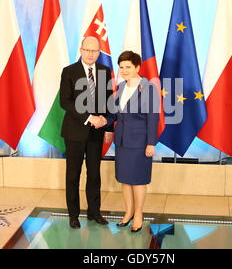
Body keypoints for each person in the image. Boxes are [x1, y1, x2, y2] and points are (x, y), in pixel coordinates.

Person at [101, 50, 160, 232]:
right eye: (121, 67)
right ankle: (128, 212)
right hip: (122, 142)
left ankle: (139, 214)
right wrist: (103, 122)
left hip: (140, 142)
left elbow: (153, 117)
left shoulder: (149, 88)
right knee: (125, 179)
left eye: (128, 67)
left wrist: (151, 143)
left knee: (138, 180)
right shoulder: (120, 87)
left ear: (137, 68)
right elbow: (113, 115)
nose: (124, 70)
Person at [59, 36, 113, 229]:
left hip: (97, 133)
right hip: (74, 131)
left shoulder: (105, 71)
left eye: (95, 51)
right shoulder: (69, 71)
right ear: (81, 50)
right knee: (73, 174)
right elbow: (65, 101)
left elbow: (108, 101)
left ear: (99, 53)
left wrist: (108, 126)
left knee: (94, 174)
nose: (91, 54)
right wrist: (90, 117)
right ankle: (73, 215)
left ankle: (94, 212)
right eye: (87, 50)